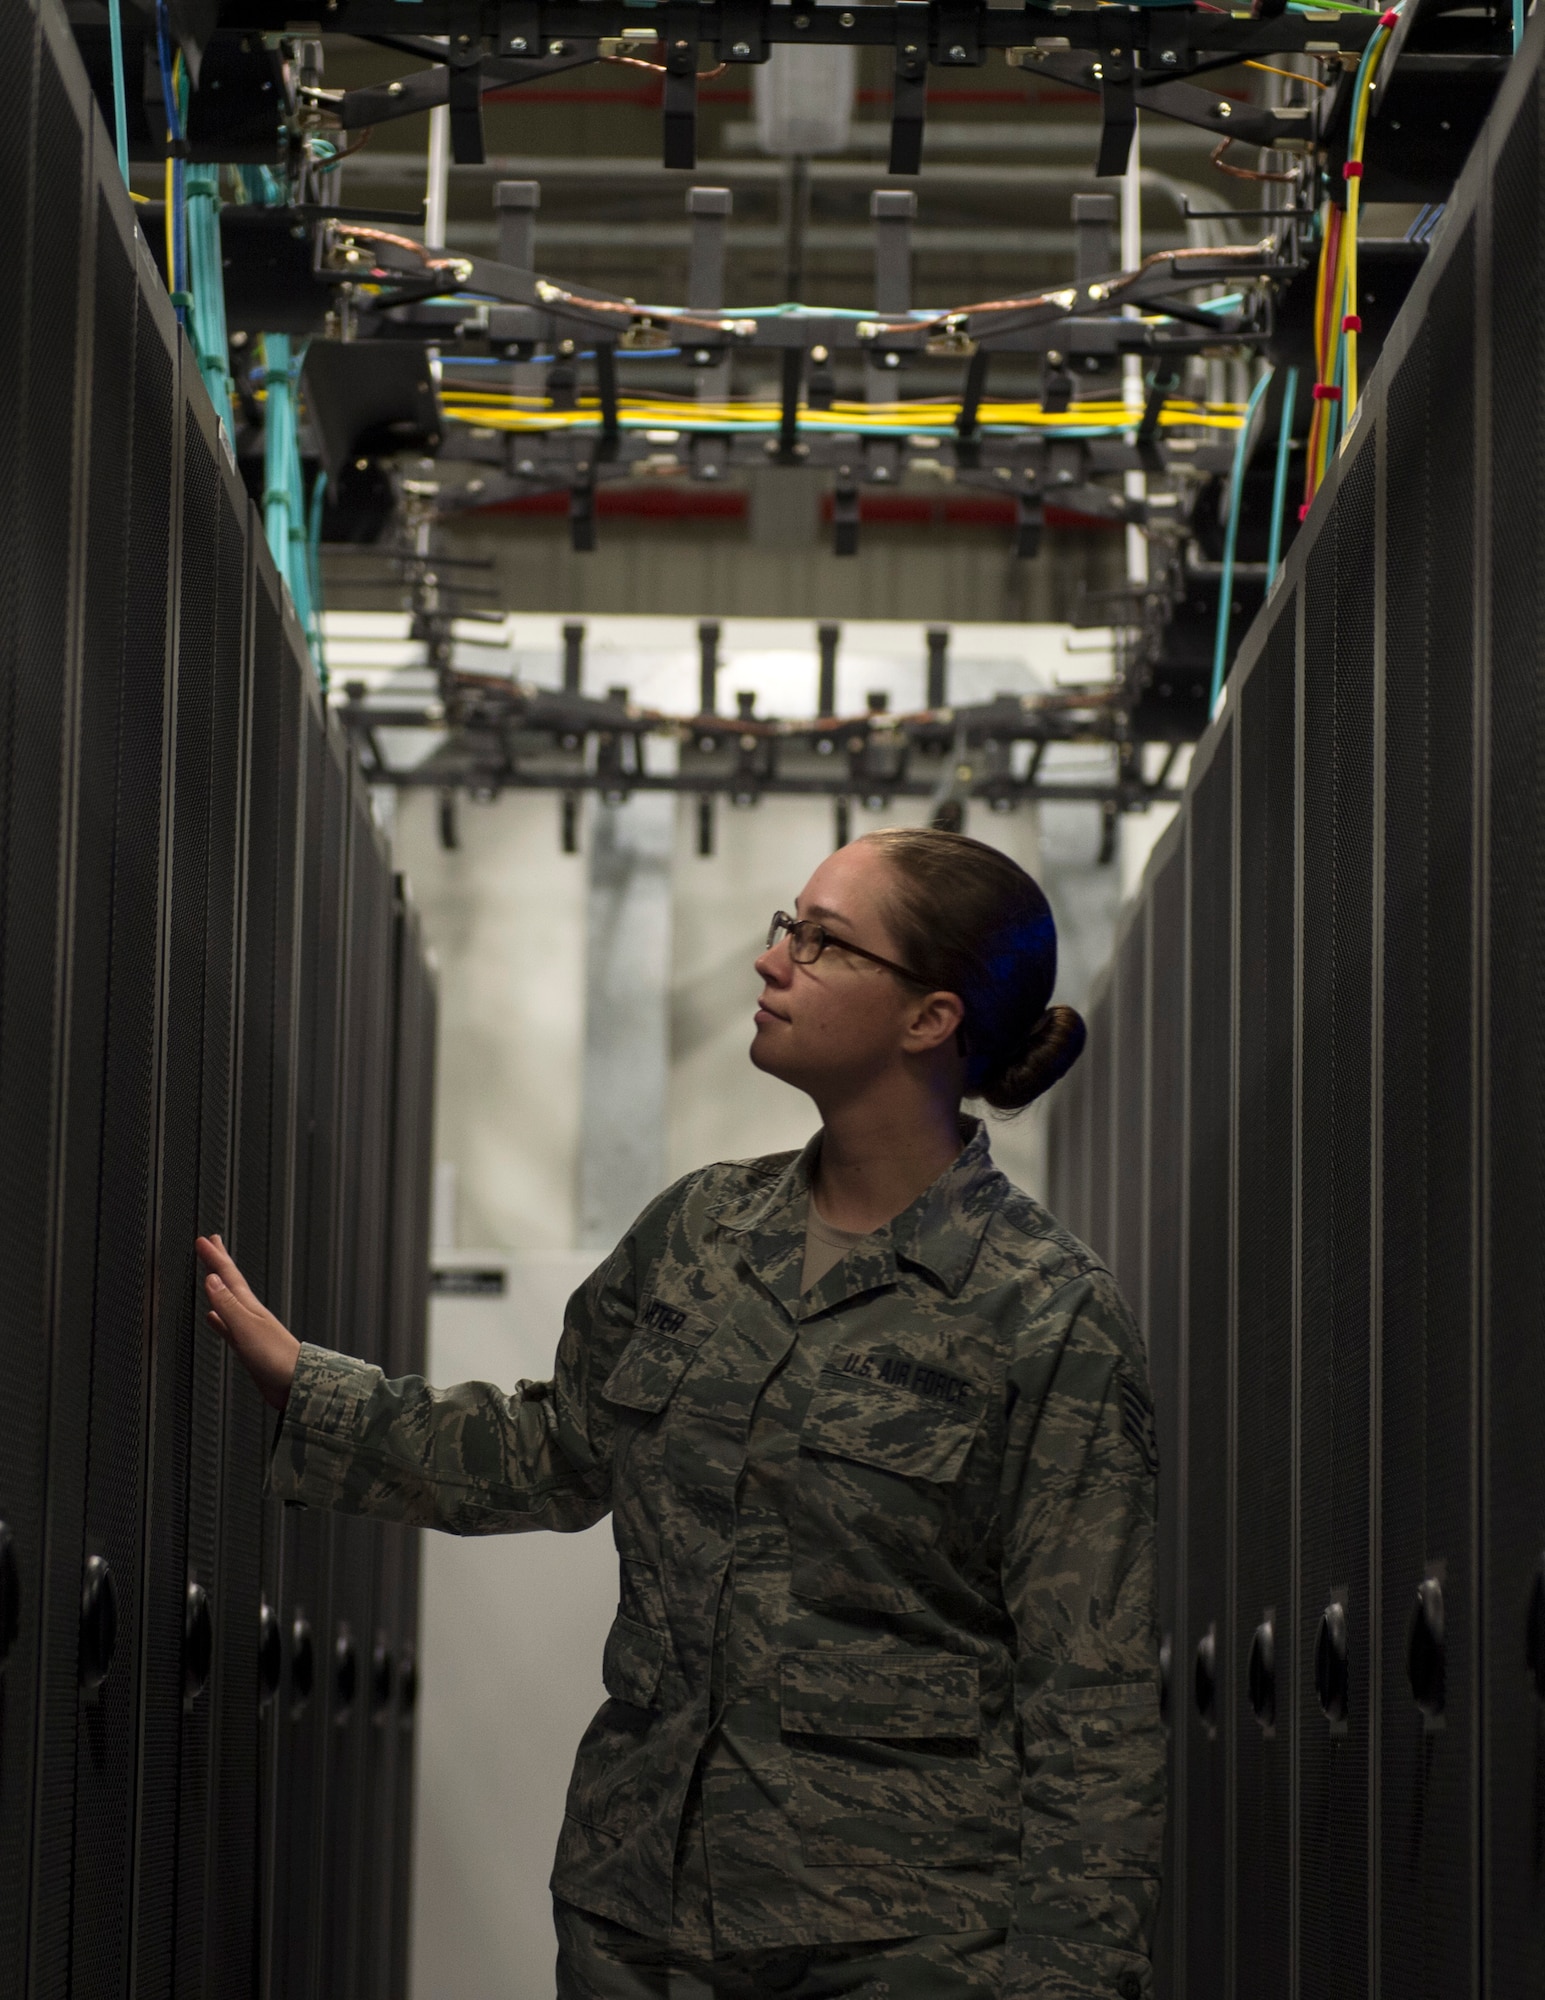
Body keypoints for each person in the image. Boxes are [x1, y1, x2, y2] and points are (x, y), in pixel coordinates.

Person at [199, 826, 1163, 2000]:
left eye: (823, 941)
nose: (774, 961)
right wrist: (310, 1385)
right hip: (638, 1918)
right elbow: (548, 1451)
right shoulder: (700, 1233)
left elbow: (1093, 1703)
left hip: (899, 1945)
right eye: (785, 925)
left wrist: (1070, 1981)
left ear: (931, 1018)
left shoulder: (1045, 1311)